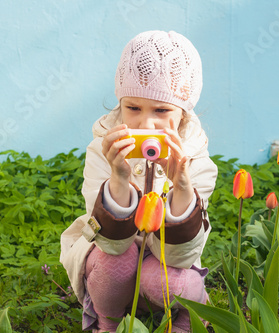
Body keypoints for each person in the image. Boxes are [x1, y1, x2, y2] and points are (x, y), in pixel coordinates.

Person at [60, 30, 218, 333]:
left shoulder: (197, 161)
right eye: (133, 108)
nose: (147, 124)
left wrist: (182, 185)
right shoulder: (101, 151)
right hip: (112, 260)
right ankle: (106, 323)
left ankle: (186, 321)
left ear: (183, 113)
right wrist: (118, 177)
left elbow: (180, 255)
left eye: (161, 110)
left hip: (167, 263)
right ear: (120, 104)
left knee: (165, 278)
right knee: (118, 260)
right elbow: (110, 244)